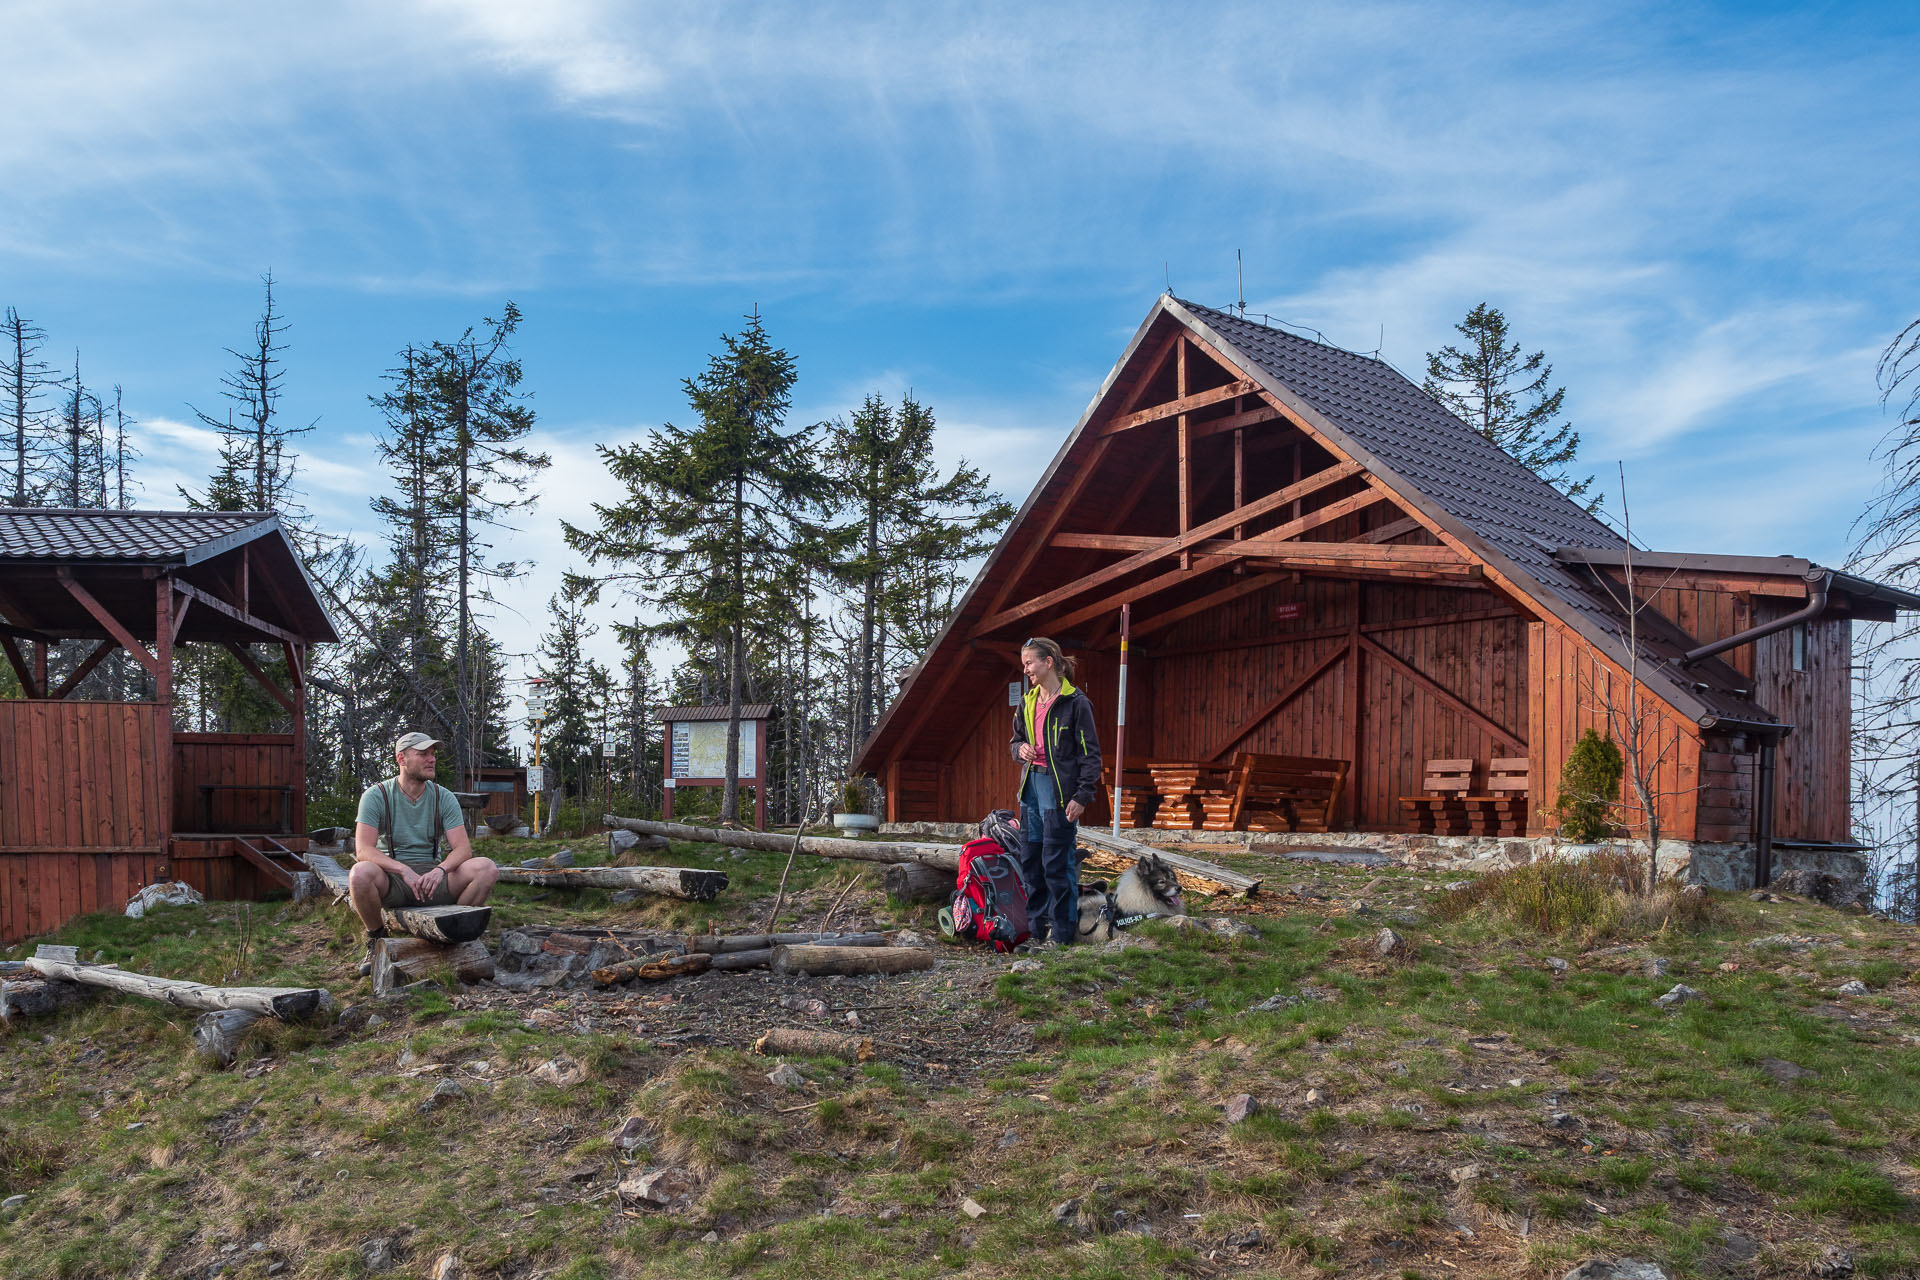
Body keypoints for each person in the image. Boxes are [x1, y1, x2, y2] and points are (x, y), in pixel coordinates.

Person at [348, 732, 498, 970]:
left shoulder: (443, 797)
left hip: (433, 879)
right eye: (423, 754)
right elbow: (363, 849)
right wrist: (402, 870)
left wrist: (440, 871)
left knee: (486, 868)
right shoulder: (377, 796)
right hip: (394, 881)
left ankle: (453, 931)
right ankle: (376, 939)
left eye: (432, 754)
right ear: (402, 759)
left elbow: (463, 849)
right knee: (360, 873)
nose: (432, 759)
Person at [1009, 637, 1102, 946]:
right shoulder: (1027, 701)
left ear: (1048, 662)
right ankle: (1036, 932)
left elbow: (1091, 757)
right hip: (1030, 791)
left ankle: (1061, 935)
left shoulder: (1076, 703)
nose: (1025, 670)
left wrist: (1082, 796)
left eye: (1029, 663)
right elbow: (1015, 740)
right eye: (1024, 664)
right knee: (1032, 863)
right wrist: (1019, 748)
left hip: (1060, 794)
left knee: (1057, 864)